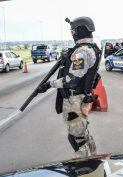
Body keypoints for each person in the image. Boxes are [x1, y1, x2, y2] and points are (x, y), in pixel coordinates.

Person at [37, 16, 101, 158]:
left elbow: (72, 80)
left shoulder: (82, 51)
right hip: (80, 97)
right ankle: (93, 159)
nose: (72, 34)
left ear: (81, 30)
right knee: (82, 134)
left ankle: (83, 167)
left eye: (73, 31)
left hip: (74, 100)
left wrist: (49, 84)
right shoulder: (89, 48)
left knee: (77, 138)